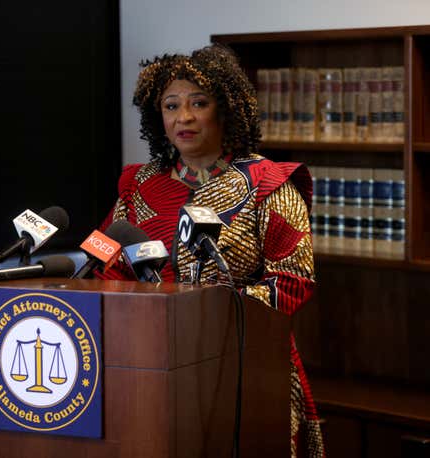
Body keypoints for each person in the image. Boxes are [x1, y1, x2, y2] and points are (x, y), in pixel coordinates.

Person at [96, 44, 325, 457]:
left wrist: (204, 312)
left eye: (198, 103)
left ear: (226, 109)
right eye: (171, 106)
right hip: (151, 363)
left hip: (245, 367)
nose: (183, 117)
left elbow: (294, 281)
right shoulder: (136, 186)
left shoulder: (269, 183)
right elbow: (101, 262)